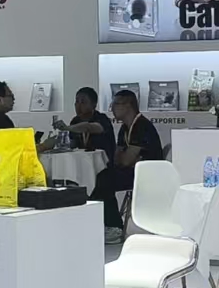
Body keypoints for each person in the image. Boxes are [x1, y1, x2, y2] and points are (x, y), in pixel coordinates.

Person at [91, 87, 164, 243]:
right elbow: (118, 158)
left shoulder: (141, 126)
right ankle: (107, 224)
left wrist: (127, 158)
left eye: (115, 104)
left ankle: (115, 227)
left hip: (146, 176)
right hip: (132, 171)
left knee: (104, 180)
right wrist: (128, 157)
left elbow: (125, 160)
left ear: (128, 105)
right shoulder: (125, 128)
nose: (112, 108)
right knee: (101, 176)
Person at [44, 86, 116, 156]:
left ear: (94, 105)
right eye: (77, 101)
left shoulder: (102, 118)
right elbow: (73, 144)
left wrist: (67, 128)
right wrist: (58, 142)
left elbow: (89, 127)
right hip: (83, 160)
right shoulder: (75, 121)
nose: (78, 106)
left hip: (103, 161)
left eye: (83, 102)